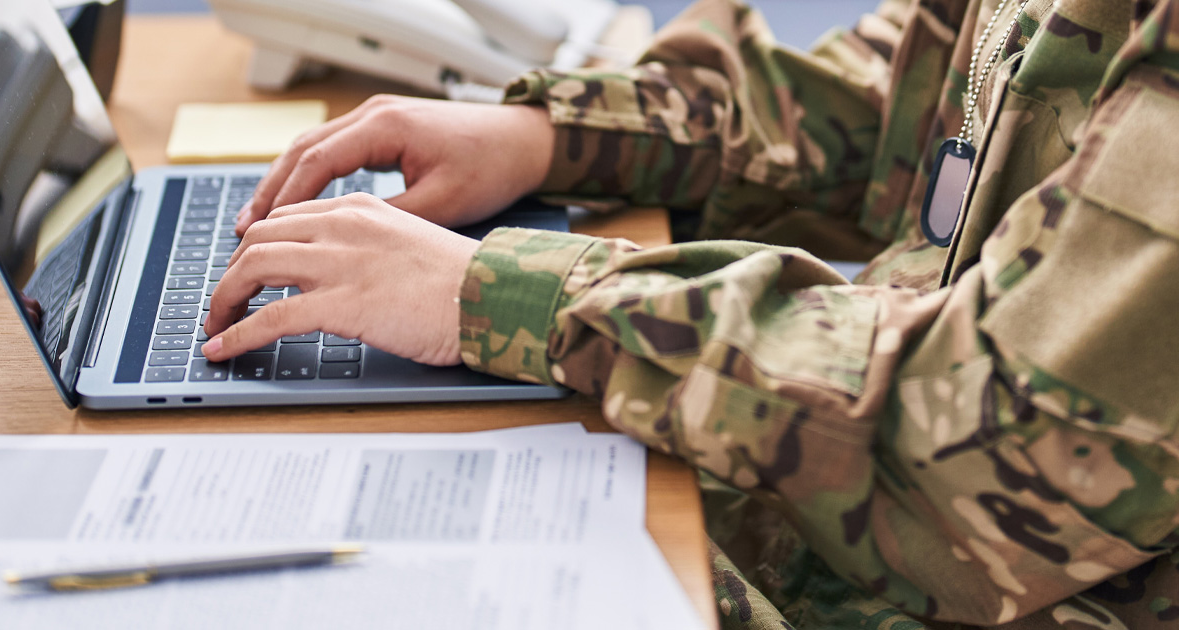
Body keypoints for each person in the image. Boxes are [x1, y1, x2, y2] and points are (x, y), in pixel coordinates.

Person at [202, 0, 1179, 627]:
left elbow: (994, 457)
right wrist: (550, 138)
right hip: (829, 480)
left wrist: (517, 294)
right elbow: (903, 99)